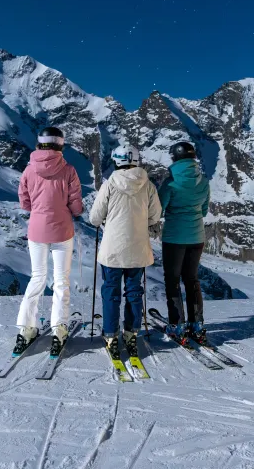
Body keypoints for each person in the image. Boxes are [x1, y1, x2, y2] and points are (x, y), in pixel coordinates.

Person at [15, 126, 83, 356]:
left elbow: (24, 202)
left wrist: (38, 209)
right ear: (60, 145)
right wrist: (75, 211)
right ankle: (59, 330)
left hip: (36, 230)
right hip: (62, 231)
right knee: (61, 280)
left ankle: (26, 328)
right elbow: (75, 203)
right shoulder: (69, 170)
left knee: (37, 278)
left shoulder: (29, 170)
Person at [89, 145, 161, 360]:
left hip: (112, 250)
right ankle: (131, 333)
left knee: (111, 292)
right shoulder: (148, 185)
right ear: (137, 160)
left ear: (117, 161)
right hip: (137, 249)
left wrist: (107, 221)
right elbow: (155, 216)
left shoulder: (110, 183)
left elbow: (94, 217)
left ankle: (111, 335)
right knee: (134, 291)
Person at [158, 141, 211, 345]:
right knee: (192, 280)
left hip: (174, 238)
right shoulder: (204, 181)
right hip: (197, 237)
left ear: (175, 158)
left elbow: (160, 209)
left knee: (172, 280)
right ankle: (196, 324)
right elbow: (204, 210)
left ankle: (177, 324)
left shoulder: (170, 182)